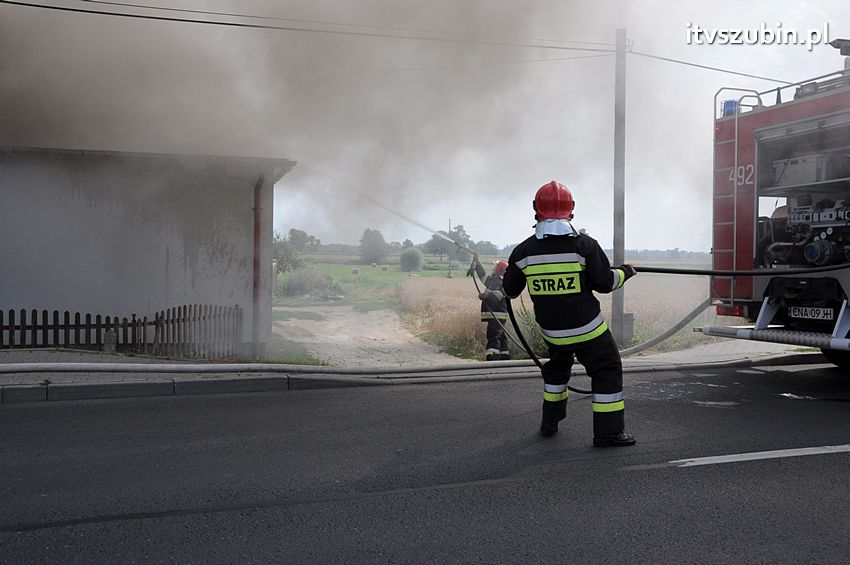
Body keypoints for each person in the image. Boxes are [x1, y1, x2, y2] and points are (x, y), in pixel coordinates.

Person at [502, 180, 637, 447]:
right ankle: (608, 433)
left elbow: (510, 290)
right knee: (607, 369)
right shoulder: (584, 246)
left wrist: (508, 271)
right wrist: (625, 272)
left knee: (557, 371)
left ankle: (549, 423)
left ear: (535, 210)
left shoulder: (523, 251)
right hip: (588, 330)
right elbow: (604, 283)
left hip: (553, 333)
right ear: (571, 210)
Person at [469, 257, 511, 361]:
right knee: (501, 335)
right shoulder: (494, 280)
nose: (493, 269)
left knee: (493, 336)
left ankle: (492, 357)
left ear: (498, 269)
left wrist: (485, 296)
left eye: (495, 267)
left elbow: (497, 296)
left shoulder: (501, 282)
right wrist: (477, 263)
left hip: (496, 315)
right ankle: (504, 356)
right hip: (497, 315)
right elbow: (482, 275)